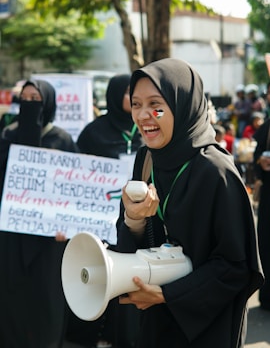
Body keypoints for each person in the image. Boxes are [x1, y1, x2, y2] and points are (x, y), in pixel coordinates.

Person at [115, 58, 263, 348]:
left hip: (204, 327)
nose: (144, 115)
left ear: (182, 104)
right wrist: (133, 219)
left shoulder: (215, 170)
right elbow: (136, 242)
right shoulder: (147, 159)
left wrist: (167, 295)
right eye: (136, 104)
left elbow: (236, 266)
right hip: (154, 322)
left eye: (156, 104)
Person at [0, 79, 79, 348]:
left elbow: (73, 186)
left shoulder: (61, 139)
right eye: (25, 98)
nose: (30, 103)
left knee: (46, 293)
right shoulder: (8, 135)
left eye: (36, 98)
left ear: (48, 102)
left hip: (49, 237)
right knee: (13, 292)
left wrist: (66, 223)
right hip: (12, 232)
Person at [66, 74, 143, 348]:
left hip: (134, 219)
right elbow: (77, 176)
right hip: (98, 220)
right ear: (114, 96)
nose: (134, 100)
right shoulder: (93, 132)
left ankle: (118, 334)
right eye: (129, 94)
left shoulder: (147, 128)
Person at [253, 118, 270, 310]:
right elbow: (256, 154)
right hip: (268, 195)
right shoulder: (267, 126)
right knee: (265, 242)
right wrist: (261, 161)